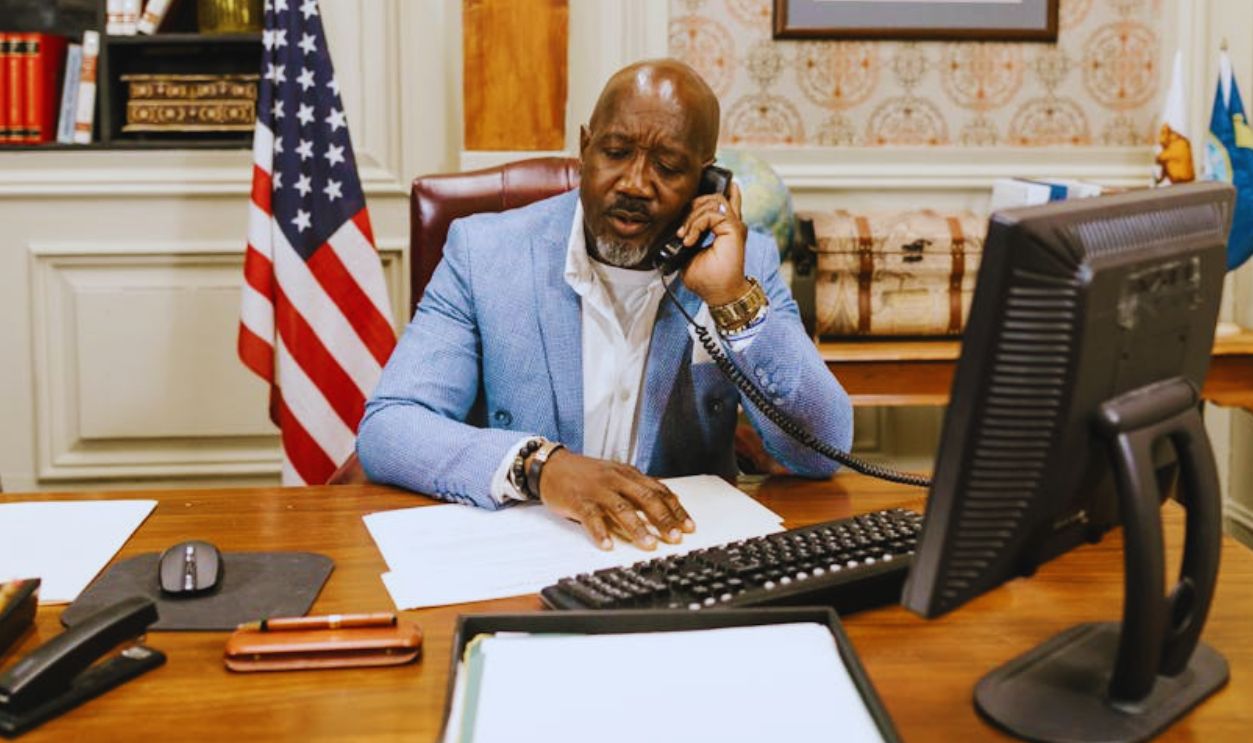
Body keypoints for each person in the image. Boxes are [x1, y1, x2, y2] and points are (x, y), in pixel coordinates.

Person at [357, 59, 852, 550]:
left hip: (678, 555)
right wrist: (540, 466)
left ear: (707, 181)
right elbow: (390, 426)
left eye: (668, 166)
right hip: (529, 552)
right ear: (584, 149)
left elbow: (822, 453)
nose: (635, 183)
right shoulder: (484, 253)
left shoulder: (742, 264)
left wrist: (730, 300)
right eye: (616, 152)